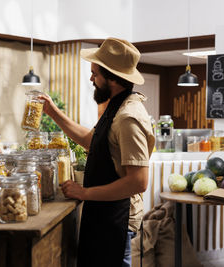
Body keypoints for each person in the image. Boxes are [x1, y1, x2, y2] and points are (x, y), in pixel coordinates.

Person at [39, 37, 155, 267]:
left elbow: (138, 182)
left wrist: (84, 193)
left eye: (95, 74)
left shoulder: (129, 118)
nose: (91, 79)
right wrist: (53, 113)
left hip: (117, 220)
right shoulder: (116, 106)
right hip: (104, 214)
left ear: (112, 77)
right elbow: (91, 140)